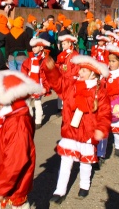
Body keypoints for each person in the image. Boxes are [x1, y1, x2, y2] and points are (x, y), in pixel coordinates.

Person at [43, 55, 111, 204]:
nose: (80, 73)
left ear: (93, 74)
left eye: (84, 71)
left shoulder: (100, 93)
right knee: (65, 162)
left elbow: (105, 114)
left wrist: (101, 129)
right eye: (80, 70)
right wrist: (51, 69)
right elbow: (58, 82)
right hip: (70, 131)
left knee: (85, 163)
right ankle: (60, 190)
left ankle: (84, 185)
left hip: (87, 132)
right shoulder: (72, 85)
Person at [0, 70, 43, 209]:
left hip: (8, 179)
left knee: (15, 204)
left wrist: (1, 186)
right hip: (3, 173)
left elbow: (16, 159)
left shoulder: (18, 123)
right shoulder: (13, 116)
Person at [21, 37, 51, 129]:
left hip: (39, 84)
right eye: (32, 47)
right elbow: (24, 69)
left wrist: (46, 86)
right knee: (28, 102)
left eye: (36, 47)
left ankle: (38, 121)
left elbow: (48, 74)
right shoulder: (30, 59)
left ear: (41, 48)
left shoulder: (45, 60)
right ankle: (29, 119)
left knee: (37, 103)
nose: (33, 49)